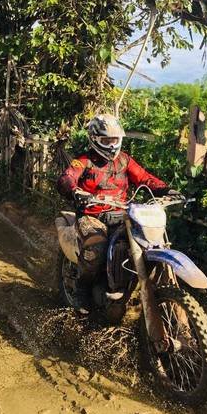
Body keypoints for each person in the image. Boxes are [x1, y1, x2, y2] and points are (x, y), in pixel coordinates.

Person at [56, 114, 182, 302]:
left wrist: (167, 190)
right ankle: (81, 289)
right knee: (96, 249)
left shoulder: (124, 160)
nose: (112, 145)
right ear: (95, 139)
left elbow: (144, 178)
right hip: (92, 216)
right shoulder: (83, 161)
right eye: (107, 140)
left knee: (146, 241)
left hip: (122, 213)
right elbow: (67, 178)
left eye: (115, 139)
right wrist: (76, 191)